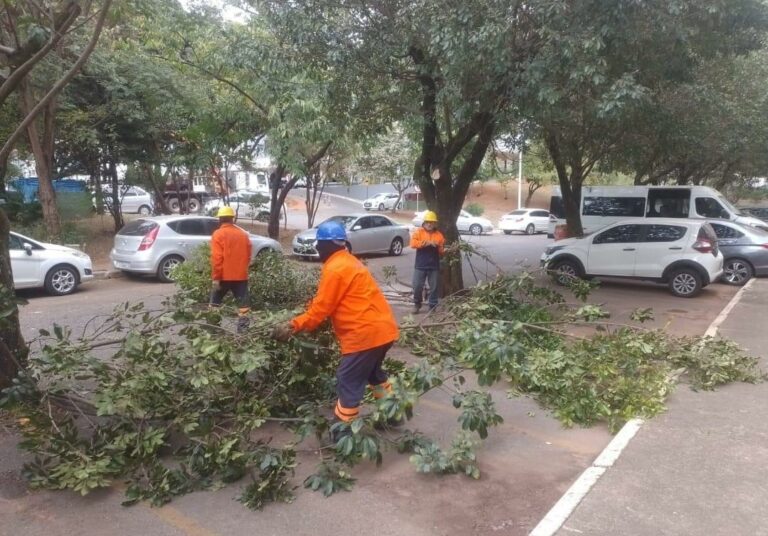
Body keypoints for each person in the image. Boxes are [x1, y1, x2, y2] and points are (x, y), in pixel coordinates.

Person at [271, 220, 399, 441]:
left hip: (364, 335)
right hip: (383, 330)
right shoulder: (349, 262)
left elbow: (322, 308)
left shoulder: (335, 268)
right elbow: (331, 300)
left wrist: (294, 325)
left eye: (319, 244)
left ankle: (343, 431)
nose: (317, 249)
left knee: (347, 378)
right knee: (373, 374)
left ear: (328, 245)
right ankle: (392, 412)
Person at [210, 206, 252, 333]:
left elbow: (217, 258)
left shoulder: (218, 234)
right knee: (243, 306)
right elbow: (249, 255)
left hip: (223, 276)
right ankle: (243, 333)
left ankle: (213, 330)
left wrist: (216, 278)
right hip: (241, 276)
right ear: (232, 219)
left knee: (215, 303)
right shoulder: (243, 235)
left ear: (220, 219)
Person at [410, 210, 445, 313]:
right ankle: (417, 304)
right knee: (417, 286)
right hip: (420, 264)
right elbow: (412, 243)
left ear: (435, 224)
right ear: (424, 223)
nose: (429, 224)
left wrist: (445, 249)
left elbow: (441, 250)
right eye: (428, 222)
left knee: (434, 287)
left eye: (432, 222)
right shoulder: (419, 232)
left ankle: (433, 306)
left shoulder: (439, 235)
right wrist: (424, 243)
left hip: (434, 265)